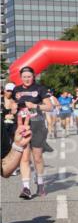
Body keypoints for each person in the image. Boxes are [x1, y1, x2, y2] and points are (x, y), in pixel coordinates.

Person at [12, 67, 57, 199]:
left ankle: (41, 183)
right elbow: (13, 106)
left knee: (37, 157)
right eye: (24, 76)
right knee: (24, 157)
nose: (27, 79)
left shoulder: (40, 89)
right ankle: (26, 188)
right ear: (21, 77)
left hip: (37, 125)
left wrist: (35, 106)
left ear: (34, 76)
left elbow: (50, 106)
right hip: (22, 126)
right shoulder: (17, 90)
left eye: (29, 76)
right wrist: (14, 108)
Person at [2, 83, 16, 158]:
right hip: (2, 125)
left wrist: (15, 115)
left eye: (11, 91)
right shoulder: (1, 100)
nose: (9, 93)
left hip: (13, 125)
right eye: (8, 91)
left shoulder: (16, 101)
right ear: (4, 90)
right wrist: (4, 117)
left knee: (14, 144)